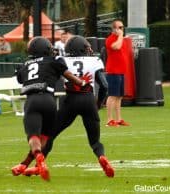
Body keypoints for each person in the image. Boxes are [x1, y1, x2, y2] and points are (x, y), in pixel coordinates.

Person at [11, 36, 114, 178]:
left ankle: (37, 166)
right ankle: (102, 157)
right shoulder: (94, 60)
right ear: (82, 48)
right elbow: (104, 86)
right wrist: (98, 104)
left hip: (69, 101)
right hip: (88, 100)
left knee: (49, 135)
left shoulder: (61, 60)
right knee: (95, 141)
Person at [105, 19, 129, 127]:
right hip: (113, 71)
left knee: (119, 96)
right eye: (119, 27)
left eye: (122, 27)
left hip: (121, 71)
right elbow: (117, 47)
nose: (121, 29)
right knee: (112, 95)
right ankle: (109, 120)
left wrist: (121, 37)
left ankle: (119, 119)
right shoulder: (110, 39)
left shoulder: (121, 39)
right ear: (113, 29)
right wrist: (120, 36)